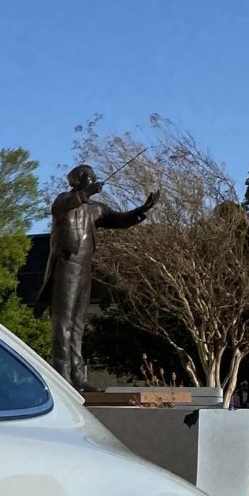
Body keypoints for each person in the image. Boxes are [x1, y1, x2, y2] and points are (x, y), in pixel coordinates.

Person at [37, 164, 158, 388]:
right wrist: (86, 194)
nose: (94, 182)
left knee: (79, 322)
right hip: (65, 264)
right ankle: (62, 374)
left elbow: (119, 219)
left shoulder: (97, 209)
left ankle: (78, 376)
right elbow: (59, 209)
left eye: (93, 179)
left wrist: (143, 209)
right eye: (90, 179)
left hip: (84, 268)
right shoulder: (64, 200)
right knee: (63, 321)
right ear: (79, 181)